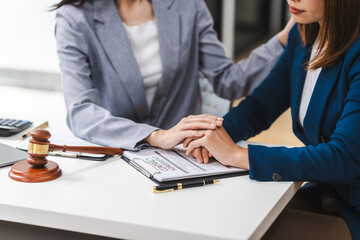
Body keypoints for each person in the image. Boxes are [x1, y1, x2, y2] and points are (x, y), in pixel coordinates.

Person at [184, 0, 360, 239]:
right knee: (219, 220)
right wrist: (211, 133)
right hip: (330, 193)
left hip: (353, 207)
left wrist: (237, 154)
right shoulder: (303, 37)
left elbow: (344, 157)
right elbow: (259, 107)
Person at [54, 0, 294, 151]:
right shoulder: (75, 17)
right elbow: (80, 112)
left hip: (184, 154)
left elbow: (229, 82)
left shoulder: (187, 5)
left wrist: (282, 39)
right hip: (116, 151)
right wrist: (154, 136)